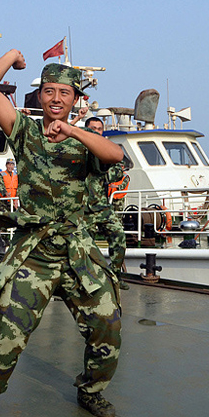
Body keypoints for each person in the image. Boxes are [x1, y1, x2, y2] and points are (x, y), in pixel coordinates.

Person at [0, 51, 124, 417]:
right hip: (35, 252)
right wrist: (13, 57)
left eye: (64, 93)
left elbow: (115, 155)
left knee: (108, 325)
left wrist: (73, 131)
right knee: (8, 331)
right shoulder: (24, 132)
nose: (56, 98)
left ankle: (90, 391)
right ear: (39, 97)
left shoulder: (84, 140)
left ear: (75, 100)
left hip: (77, 251)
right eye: (49, 91)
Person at [83, 116, 129, 290]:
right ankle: (82, 281)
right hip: (83, 208)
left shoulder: (107, 151)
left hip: (102, 207)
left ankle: (115, 276)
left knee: (119, 237)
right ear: (86, 129)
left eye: (99, 129)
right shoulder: (79, 149)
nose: (96, 131)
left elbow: (117, 170)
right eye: (92, 128)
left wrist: (102, 170)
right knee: (85, 247)